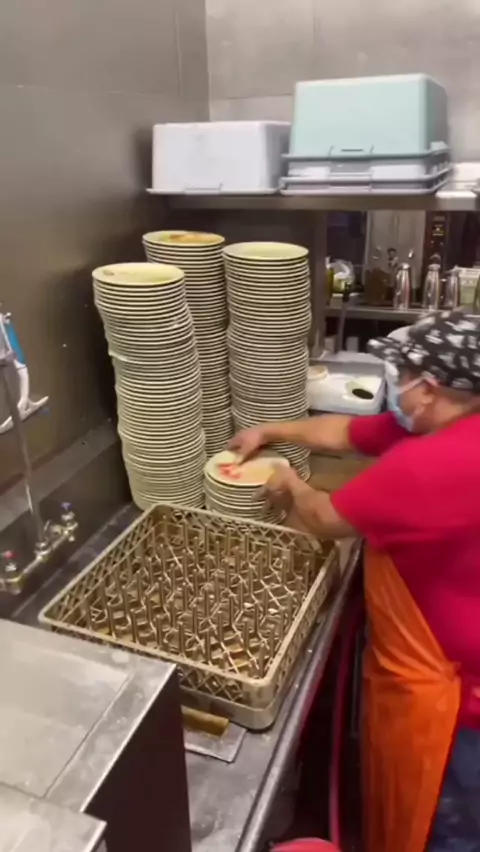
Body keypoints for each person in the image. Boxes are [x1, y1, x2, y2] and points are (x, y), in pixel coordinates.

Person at [229, 310, 480, 852]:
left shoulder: (431, 466)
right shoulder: (454, 420)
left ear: (429, 387)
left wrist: (288, 484)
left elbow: (324, 518)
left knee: (445, 830)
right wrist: (270, 432)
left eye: (401, 373)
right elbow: (347, 431)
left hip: (456, 706)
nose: (394, 385)